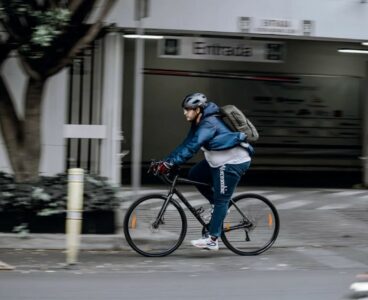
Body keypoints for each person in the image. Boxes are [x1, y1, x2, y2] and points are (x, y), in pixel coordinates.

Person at [154, 92, 254, 251]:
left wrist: (170, 164)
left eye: (188, 109)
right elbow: (186, 144)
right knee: (195, 175)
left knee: (222, 199)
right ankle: (217, 206)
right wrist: (166, 161)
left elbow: (193, 147)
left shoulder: (209, 123)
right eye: (185, 109)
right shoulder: (198, 123)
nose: (185, 112)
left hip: (232, 161)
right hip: (217, 159)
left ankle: (213, 239)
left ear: (199, 109)